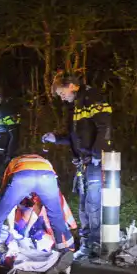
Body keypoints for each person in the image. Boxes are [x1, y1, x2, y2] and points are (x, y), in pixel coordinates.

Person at [42, 73, 112, 260]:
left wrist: (97, 155)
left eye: (61, 92)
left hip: (94, 161)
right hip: (83, 162)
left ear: (72, 85)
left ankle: (96, 246)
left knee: (93, 204)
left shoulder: (92, 98)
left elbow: (105, 127)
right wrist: (56, 138)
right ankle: (87, 244)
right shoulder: (74, 106)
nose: (61, 97)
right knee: (83, 205)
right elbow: (75, 136)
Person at [0, 153, 74, 274]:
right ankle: (66, 253)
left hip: (22, 177)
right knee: (56, 218)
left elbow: (6, 200)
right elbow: (40, 206)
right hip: (48, 177)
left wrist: (11, 226)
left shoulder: (14, 164)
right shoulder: (44, 162)